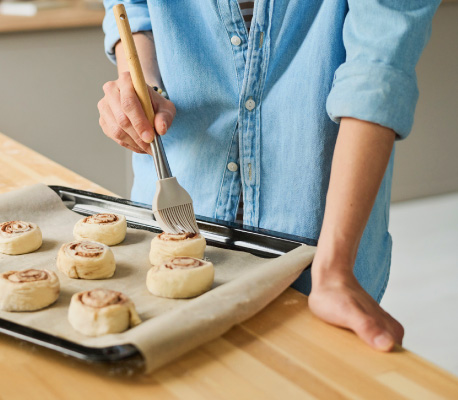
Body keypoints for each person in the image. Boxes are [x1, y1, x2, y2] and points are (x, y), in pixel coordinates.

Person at [98, 0, 440, 351]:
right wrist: (143, 89)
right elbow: (130, 9)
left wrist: (334, 270)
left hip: (318, 249)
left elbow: (377, 71)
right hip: (167, 225)